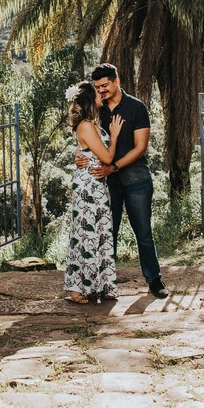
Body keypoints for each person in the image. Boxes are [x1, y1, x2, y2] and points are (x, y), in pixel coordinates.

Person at [80, 63, 169, 299]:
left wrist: (114, 166)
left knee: (143, 232)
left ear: (116, 81)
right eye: (97, 88)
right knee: (108, 233)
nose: (101, 91)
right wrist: (80, 157)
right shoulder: (97, 109)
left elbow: (141, 148)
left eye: (105, 86)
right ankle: (105, 284)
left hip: (136, 178)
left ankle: (154, 280)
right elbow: (85, 137)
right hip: (106, 184)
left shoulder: (136, 107)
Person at [63, 81, 124, 305]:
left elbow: (89, 152)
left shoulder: (94, 124)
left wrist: (79, 155)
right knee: (85, 235)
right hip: (88, 186)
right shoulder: (87, 126)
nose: (101, 94)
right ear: (90, 99)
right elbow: (107, 158)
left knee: (100, 234)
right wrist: (115, 135)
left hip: (99, 186)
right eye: (97, 92)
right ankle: (76, 288)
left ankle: (97, 286)